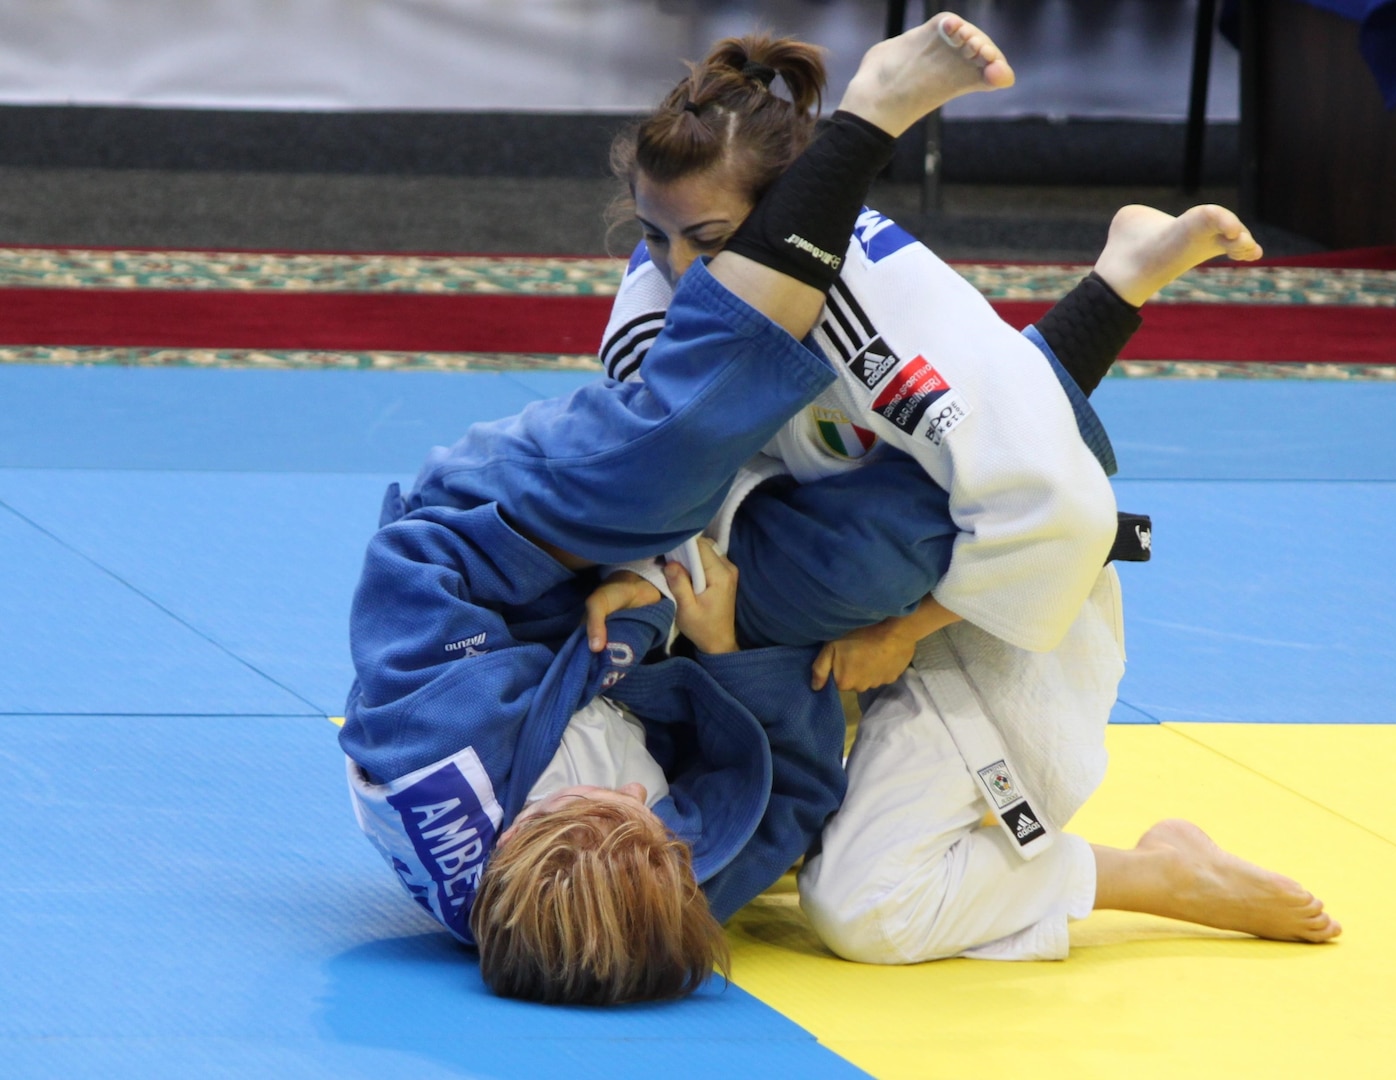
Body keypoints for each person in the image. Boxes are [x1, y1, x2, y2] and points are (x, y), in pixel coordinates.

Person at [593, 23, 1342, 965]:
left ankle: (1159, 874)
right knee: (719, 826)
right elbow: (647, 465)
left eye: (707, 240)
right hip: (824, 601)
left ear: (794, 208)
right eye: (652, 237)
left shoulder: (891, 318)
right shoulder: (658, 294)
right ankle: (1119, 280)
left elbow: (1055, 508)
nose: (676, 270)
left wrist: (905, 631)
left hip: (981, 611)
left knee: (865, 908)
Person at [340, 12, 1021, 1005]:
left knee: (654, 473)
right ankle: (1056, 385)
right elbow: (786, 795)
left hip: (516, 542)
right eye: (648, 822)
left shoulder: (432, 773)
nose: (632, 795)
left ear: (519, 838)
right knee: (896, 550)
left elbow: (415, 578)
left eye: (592, 809)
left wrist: (604, 567)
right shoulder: (667, 887)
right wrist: (727, 649)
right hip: (694, 632)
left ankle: (860, 128)